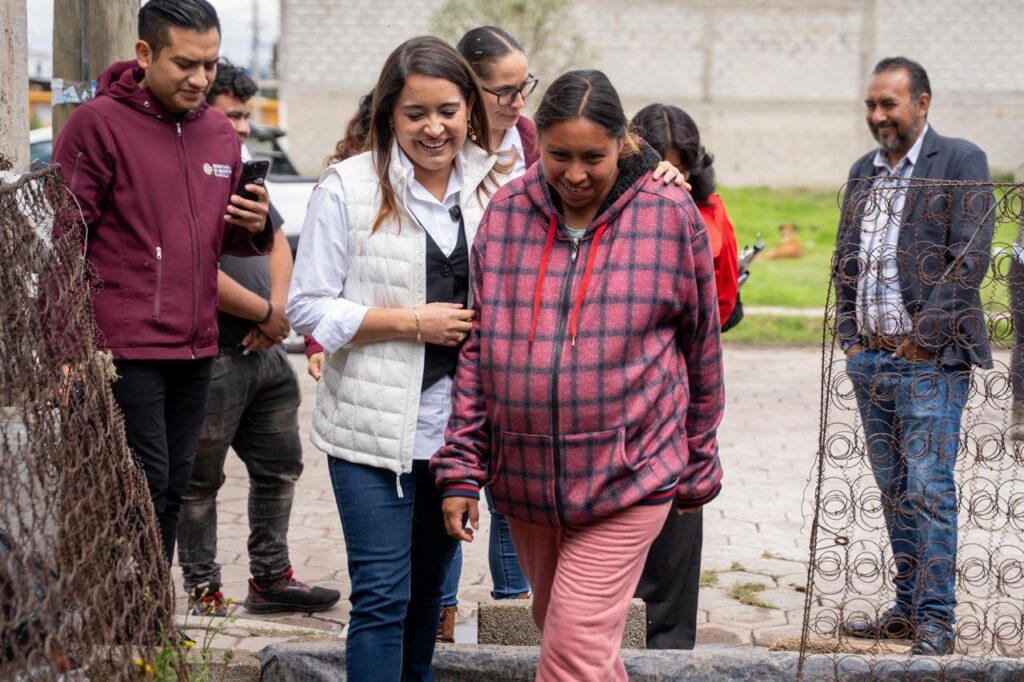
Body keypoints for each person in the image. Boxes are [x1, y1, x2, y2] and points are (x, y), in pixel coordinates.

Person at [434, 69, 724, 681]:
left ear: (622, 143)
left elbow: (702, 348)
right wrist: (461, 465)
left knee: (572, 643)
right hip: (527, 479)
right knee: (569, 635)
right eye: (558, 155)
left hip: (630, 472)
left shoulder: (668, 213)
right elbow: (478, 352)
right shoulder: (506, 214)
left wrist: (699, 461)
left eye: (593, 157)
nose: (573, 173)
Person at [285, 36, 506, 681]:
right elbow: (307, 308)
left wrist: (656, 169)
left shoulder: (497, 187)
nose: (434, 128)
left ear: (470, 109)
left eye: (448, 110)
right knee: (382, 597)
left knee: (427, 597)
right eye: (415, 113)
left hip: (456, 435)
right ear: (389, 115)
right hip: (369, 432)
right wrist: (411, 323)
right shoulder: (348, 188)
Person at [51, 0, 272, 568]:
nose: (201, 79)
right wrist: (67, 348)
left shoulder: (219, 131)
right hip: (123, 345)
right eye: (185, 64)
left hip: (196, 343)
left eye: (210, 64)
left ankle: (149, 610)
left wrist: (254, 225)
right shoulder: (97, 124)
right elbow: (64, 240)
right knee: (140, 486)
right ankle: (120, 606)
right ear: (145, 54)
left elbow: (221, 237)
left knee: (174, 485)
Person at [835, 57, 992, 657]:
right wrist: (851, 339)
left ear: (922, 104)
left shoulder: (959, 161)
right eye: (871, 105)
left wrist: (924, 340)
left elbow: (970, 257)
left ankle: (935, 620)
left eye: (889, 104)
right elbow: (846, 258)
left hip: (930, 363)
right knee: (894, 491)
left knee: (928, 491)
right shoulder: (863, 171)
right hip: (871, 360)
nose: (878, 115)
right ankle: (905, 610)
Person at [176, 60, 339, 617]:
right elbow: (193, 268)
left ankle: (270, 579)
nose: (244, 127)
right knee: (200, 481)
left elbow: (277, 242)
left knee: (280, 466)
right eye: (234, 115)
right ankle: (204, 593)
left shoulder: (239, 173)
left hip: (266, 354)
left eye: (246, 115)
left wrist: (279, 312)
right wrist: (267, 313)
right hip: (213, 353)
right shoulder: (188, 171)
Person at [629, 103, 738, 649]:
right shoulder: (618, 207)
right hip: (625, 387)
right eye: (660, 164)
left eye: (682, 166)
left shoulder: (709, 210)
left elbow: (725, 299)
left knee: (677, 515)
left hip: (685, 382)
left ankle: (669, 644)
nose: (673, 176)